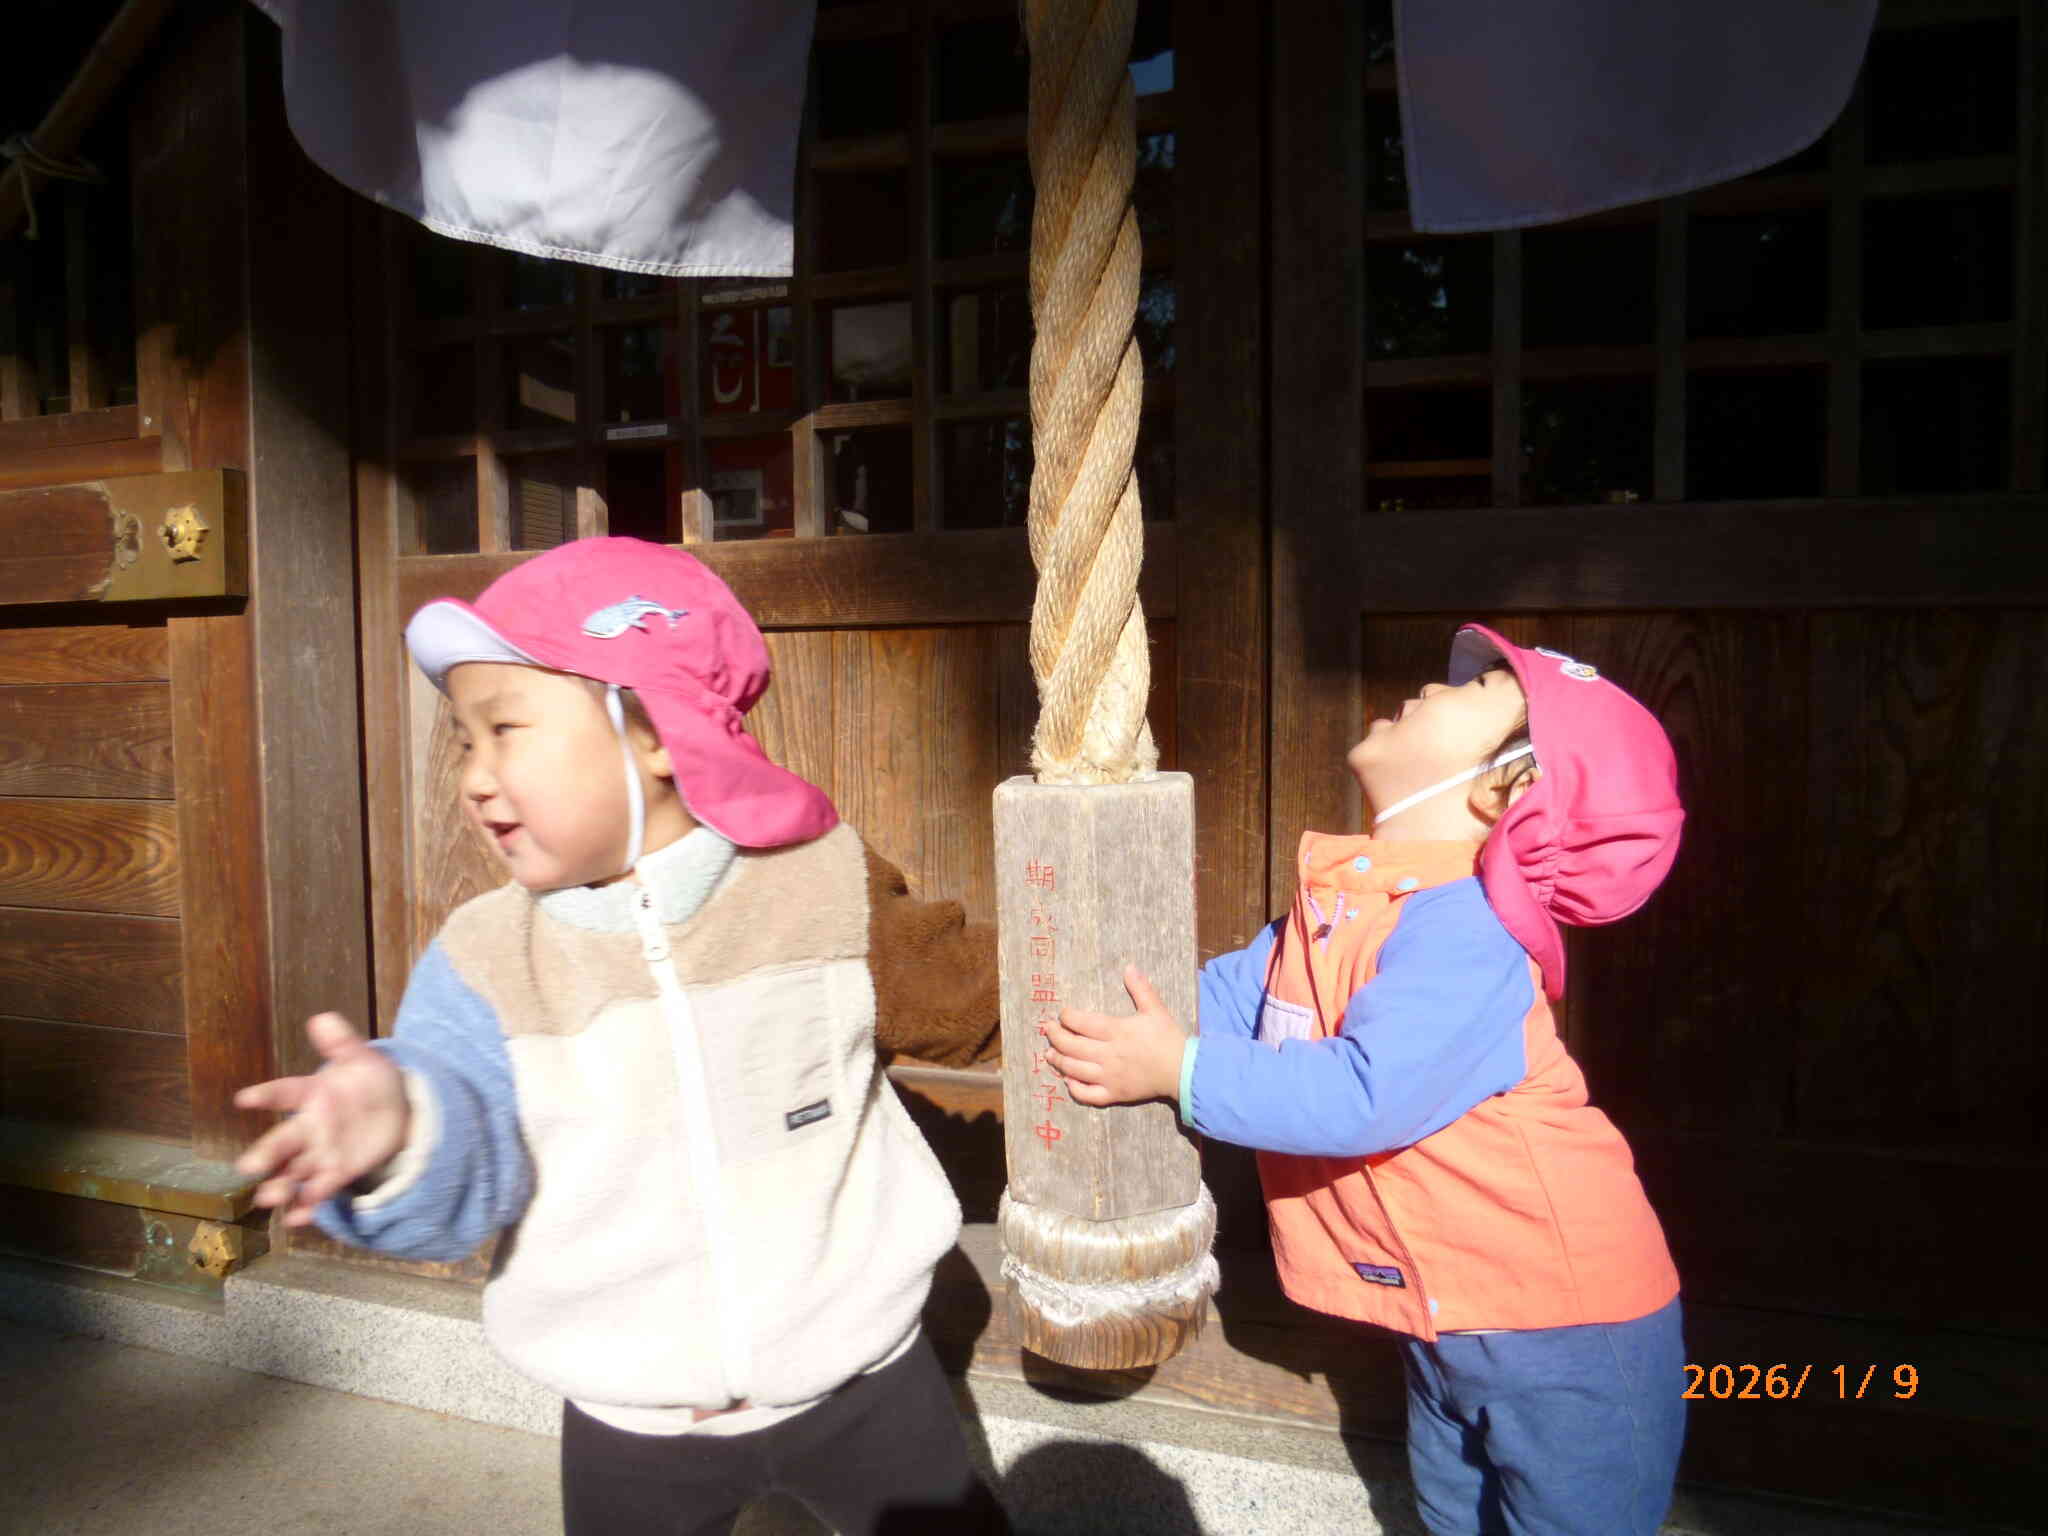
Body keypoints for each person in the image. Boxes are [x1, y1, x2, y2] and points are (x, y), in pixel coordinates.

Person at [233, 537, 1005, 1536]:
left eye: (505, 728)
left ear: (653, 731)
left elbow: (978, 991)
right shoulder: (485, 960)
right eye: (465, 741)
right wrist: (393, 1126)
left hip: (860, 1372)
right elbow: (461, 1153)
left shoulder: (819, 885)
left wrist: (1159, 1019)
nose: (474, 776)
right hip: (628, 1415)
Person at [1045, 624, 1688, 1536]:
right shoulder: (1343, 908)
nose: (1432, 685)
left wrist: (1177, 1069)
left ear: (1514, 786)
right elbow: (1222, 1002)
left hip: (1569, 1326)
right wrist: (1086, 1014)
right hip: (1449, 1320)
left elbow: (1365, 1094)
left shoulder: (1470, 934)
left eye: (1476, 691)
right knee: (1454, 1513)